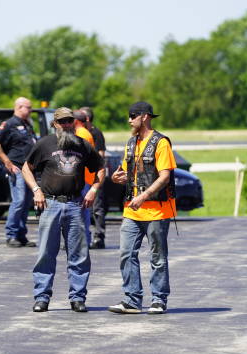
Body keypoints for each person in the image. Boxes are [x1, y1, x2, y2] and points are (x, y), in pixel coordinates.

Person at [21, 107, 105, 313]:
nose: (67, 125)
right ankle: (42, 297)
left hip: (76, 205)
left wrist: (93, 189)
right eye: (63, 121)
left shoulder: (83, 145)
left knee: (79, 255)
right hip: (50, 204)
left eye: (70, 121)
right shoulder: (44, 144)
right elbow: (26, 168)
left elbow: (101, 168)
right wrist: (36, 190)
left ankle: (77, 298)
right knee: (46, 254)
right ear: (55, 124)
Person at [108, 101, 176, 315]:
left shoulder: (161, 143)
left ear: (145, 117)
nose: (129, 120)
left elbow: (164, 176)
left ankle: (158, 299)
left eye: (133, 116)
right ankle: (132, 299)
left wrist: (144, 196)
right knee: (126, 254)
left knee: (157, 256)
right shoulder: (131, 143)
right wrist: (116, 178)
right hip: (132, 210)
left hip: (157, 210)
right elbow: (128, 173)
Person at [0, 97, 37, 248]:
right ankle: (11, 235)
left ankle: (21, 235)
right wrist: (6, 162)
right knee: (19, 201)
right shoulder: (8, 124)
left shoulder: (27, 124)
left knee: (26, 202)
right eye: (28, 108)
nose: (30, 111)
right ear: (19, 107)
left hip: (29, 169)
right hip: (17, 168)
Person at [80, 106, 107, 249]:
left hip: (94, 176)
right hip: (82, 177)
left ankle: (99, 237)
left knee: (97, 208)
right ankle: (85, 237)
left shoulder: (96, 133)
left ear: (87, 119)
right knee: (84, 209)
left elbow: (101, 155)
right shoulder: (77, 132)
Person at [73, 109, 95, 248]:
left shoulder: (81, 134)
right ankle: (83, 240)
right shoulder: (84, 133)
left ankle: (84, 241)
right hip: (86, 177)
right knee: (82, 211)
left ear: (75, 121)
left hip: (84, 178)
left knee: (81, 212)